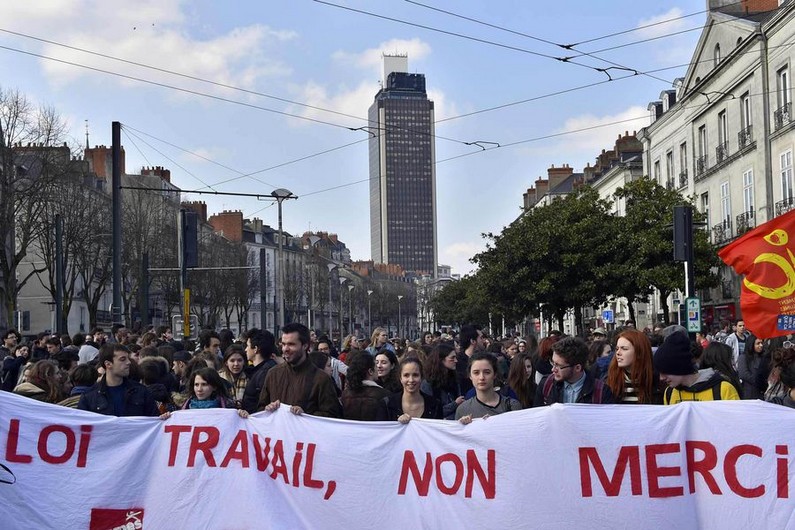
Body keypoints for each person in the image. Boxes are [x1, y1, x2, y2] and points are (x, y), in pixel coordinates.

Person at [258, 323, 342, 417]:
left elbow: (333, 416)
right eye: (283, 344)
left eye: (291, 344)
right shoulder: (273, 374)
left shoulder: (321, 379)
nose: (285, 349)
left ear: (305, 346)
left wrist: (305, 415)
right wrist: (268, 409)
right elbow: (260, 410)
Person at [653, 331, 740, 404]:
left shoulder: (723, 389)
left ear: (679, 366)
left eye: (665, 371)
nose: (661, 378)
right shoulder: (669, 393)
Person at [77, 344, 159, 416]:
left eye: (128, 358)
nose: (128, 362)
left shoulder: (141, 391)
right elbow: (82, 427)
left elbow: (153, 420)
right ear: (108, 364)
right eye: (123, 359)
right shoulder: (89, 397)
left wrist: (162, 420)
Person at [534, 336, 613, 406]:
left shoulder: (601, 391)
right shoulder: (546, 385)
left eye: (559, 366)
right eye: (553, 363)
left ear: (577, 368)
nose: (553, 369)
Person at [457, 352, 521, 423]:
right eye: (476, 373)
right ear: (470, 376)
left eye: (487, 372)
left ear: (495, 374)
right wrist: (462, 427)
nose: (481, 377)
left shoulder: (513, 405)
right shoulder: (463, 410)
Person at [377, 357, 442, 422]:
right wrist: (397, 424)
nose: (411, 380)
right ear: (400, 378)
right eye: (406, 375)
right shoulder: (387, 405)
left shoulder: (435, 405)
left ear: (421, 377)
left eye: (415, 375)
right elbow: (381, 430)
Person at [606, 329, 662, 404]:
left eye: (624, 349)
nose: (618, 353)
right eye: (617, 349)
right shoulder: (609, 381)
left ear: (639, 352)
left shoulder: (657, 382)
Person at [173, 367, 247, 417]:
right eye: (196, 385)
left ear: (214, 387)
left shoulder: (229, 407)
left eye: (204, 384)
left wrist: (241, 415)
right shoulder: (184, 407)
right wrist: (166, 417)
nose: (199, 389)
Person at [341, 351, 390, 421]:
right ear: (370, 371)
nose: (378, 368)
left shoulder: (345, 395)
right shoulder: (385, 395)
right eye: (375, 366)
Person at [420, 343, 464, 419]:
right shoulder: (428, 383)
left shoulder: (454, 379)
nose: (456, 361)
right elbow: (431, 411)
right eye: (452, 358)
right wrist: (455, 404)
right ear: (441, 360)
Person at [241, 328, 278, 414]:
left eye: (248, 346)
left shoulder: (266, 373)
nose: (245, 349)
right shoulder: (259, 370)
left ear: (256, 349)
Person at [738, 334, 766, 400]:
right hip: (749, 392)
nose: (761, 345)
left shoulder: (763, 357)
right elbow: (743, 374)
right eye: (758, 343)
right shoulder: (744, 357)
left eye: (762, 343)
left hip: (762, 392)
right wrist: (758, 381)